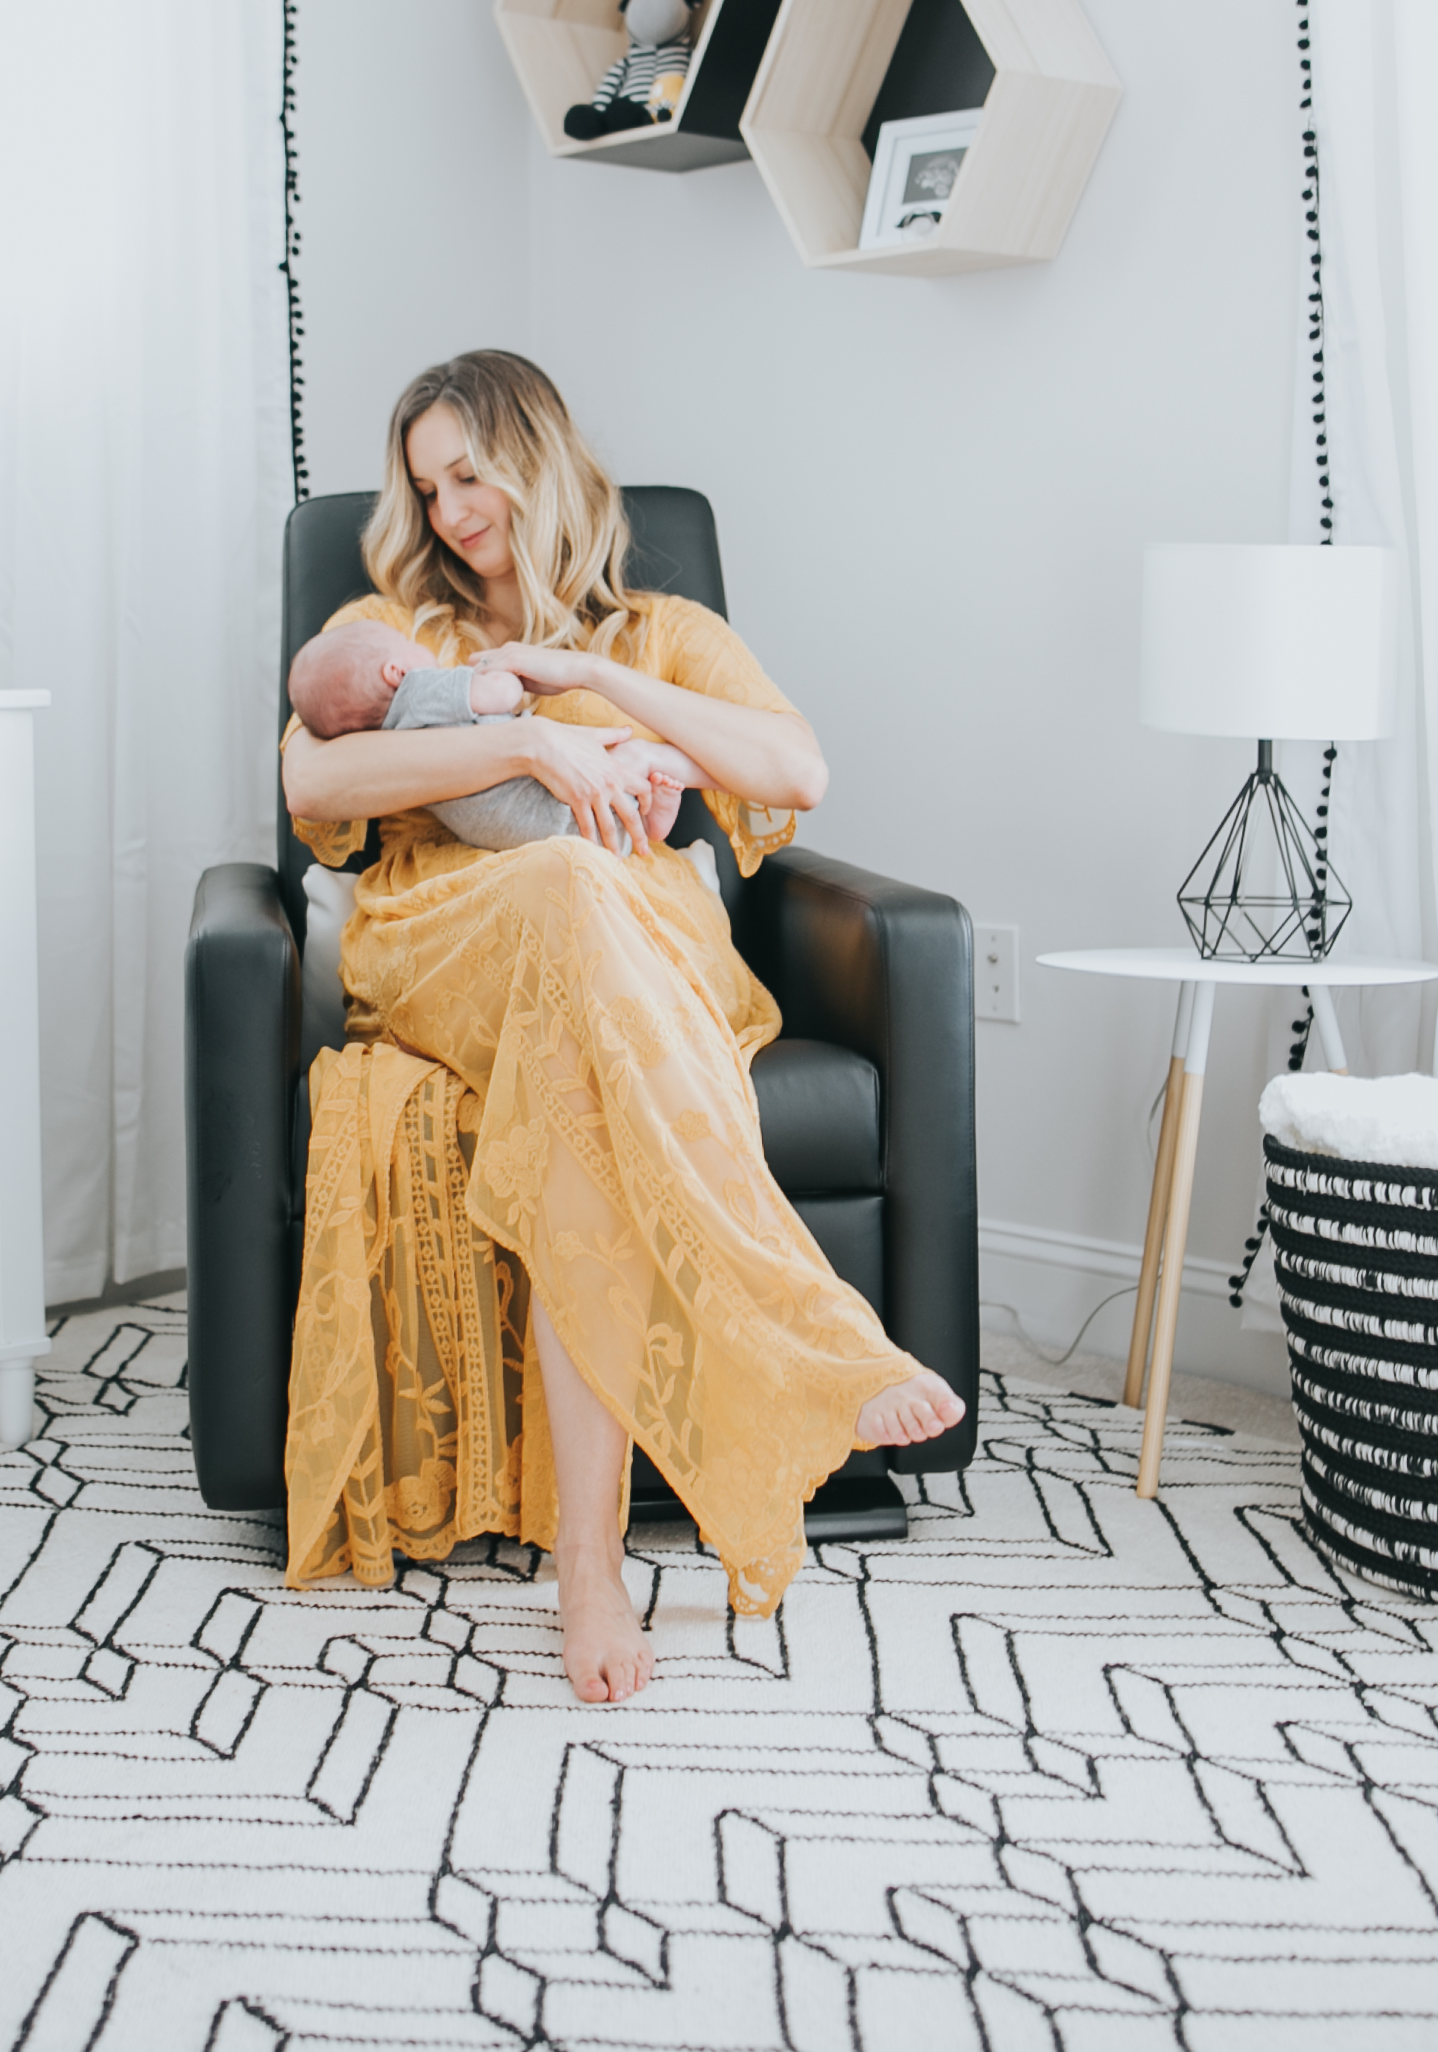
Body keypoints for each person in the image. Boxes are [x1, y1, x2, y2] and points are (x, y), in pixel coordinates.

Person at [278, 350, 963, 1704]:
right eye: (428, 485)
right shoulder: (395, 623)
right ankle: (817, 1335)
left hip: (626, 962)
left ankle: (586, 1569)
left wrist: (578, 676)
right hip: (455, 940)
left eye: (471, 471)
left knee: (582, 1076)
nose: (452, 509)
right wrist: (531, 745)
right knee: (561, 876)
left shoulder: (660, 626)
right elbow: (316, 769)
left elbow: (792, 770)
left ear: (537, 455)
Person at [285, 614, 699, 852]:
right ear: (396, 672)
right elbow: (501, 694)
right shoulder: (420, 688)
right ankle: (651, 814)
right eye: (405, 641)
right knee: (636, 756)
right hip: (553, 805)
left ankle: (647, 823)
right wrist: (502, 669)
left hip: (511, 835)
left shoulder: (391, 732)